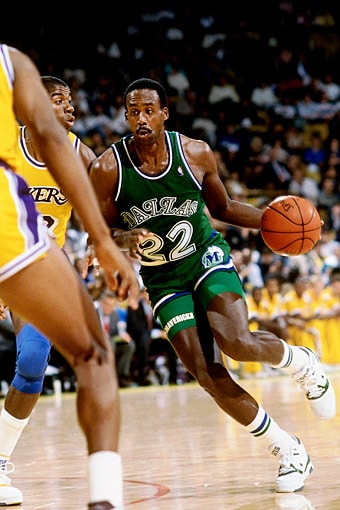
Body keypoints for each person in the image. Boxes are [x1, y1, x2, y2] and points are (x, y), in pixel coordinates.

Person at [87, 77, 336, 495]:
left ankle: (302, 363)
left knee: (236, 341)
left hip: (203, 255)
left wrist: (274, 223)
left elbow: (220, 207)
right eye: (133, 112)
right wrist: (122, 241)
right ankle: (288, 449)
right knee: (207, 374)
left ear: (165, 113)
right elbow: (99, 232)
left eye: (149, 110)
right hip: (162, 276)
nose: (141, 118)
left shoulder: (195, 153)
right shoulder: (108, 168)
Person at [0, 43, 139, 510]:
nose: (67, 108)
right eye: (57, 101)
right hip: (12, 244)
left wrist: (112, 241)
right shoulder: (14, 79)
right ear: (32, 103)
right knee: (91, 361)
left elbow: (104, 213)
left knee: (35, 360)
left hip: (36, 257)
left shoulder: (82, 156)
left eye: (70, 104)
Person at [94, 290, 136, 388]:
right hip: (97, 344)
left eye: (112, 305)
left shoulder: (115, 314)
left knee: (129, 345)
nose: (109, 308)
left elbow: (116, 332)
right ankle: (108, 378)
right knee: (110, 345)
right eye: (107, 304)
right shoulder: (92, 313)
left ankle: (122, 377)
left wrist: (123, 335)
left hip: (110, 342)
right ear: (101, 302)